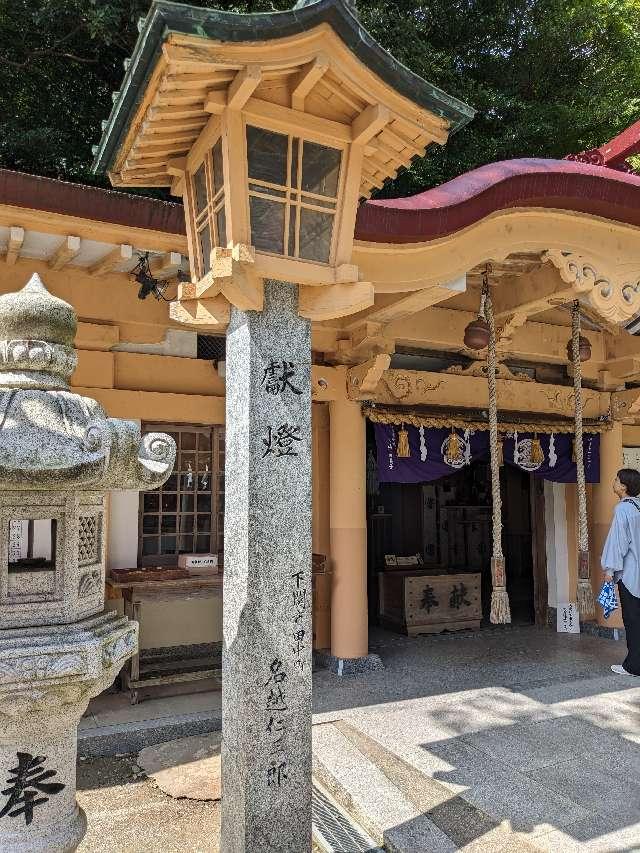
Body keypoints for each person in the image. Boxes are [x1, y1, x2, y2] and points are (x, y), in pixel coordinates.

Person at [601, 468, 640, 676]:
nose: (614, 481)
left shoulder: (622, 509)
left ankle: (634, 666)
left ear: (624, 486)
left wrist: (609, 571)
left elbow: (618, 544)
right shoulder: (638, 507)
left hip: (631, 573)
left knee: (633, 620)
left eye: (616, 479)